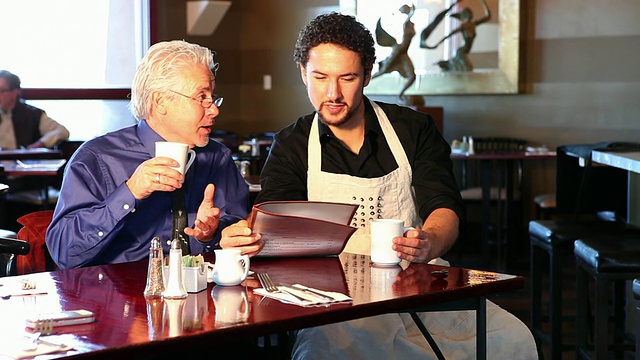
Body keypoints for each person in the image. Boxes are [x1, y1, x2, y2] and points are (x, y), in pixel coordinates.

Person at [220, 12, 537, 359]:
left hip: (416, 282)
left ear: (368, 74)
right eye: (320, 77)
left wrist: (429, 241)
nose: (333, 93)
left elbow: (444, 206)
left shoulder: (413, 129)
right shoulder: (291, 145)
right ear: (302, 73)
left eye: (348, 78)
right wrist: (249, 237)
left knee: (511, 337)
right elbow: (276, 223)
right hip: (333, 298)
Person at [46, 40, 253, 270]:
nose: (214, 109)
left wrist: (213, 235)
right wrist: (129, 192)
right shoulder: (97, 158)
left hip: (202, 296)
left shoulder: (217, 158)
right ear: (161, 101)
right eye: (201, 97)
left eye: (212, 97)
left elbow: (235, 230)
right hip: (115, 298)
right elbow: (64, 253)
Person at [0, 70, 69, 150]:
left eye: (1, 91)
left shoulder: (33, 115)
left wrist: (38, 145)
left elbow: (62, 131)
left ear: (15, 92)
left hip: (21, 161)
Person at [420, 0, 491, 72]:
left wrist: (483, 2)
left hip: (464, 51)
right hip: (461, 51)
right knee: (468, 69)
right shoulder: (463, 26)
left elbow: (488, 16)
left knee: (465, 69)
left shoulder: (473, 25)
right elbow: (449, 35)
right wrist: (437, 44)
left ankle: (447, 65)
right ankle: (445, 66)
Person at [372, 4, 417, 99]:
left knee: (412, 76)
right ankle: (364, 82)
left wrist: (410, 10)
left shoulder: (409, 23)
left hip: (403, 52)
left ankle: (400, 95)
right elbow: (411, 14)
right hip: (399, 50)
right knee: (384, 70)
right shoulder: (406, 24)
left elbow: (412, 13)